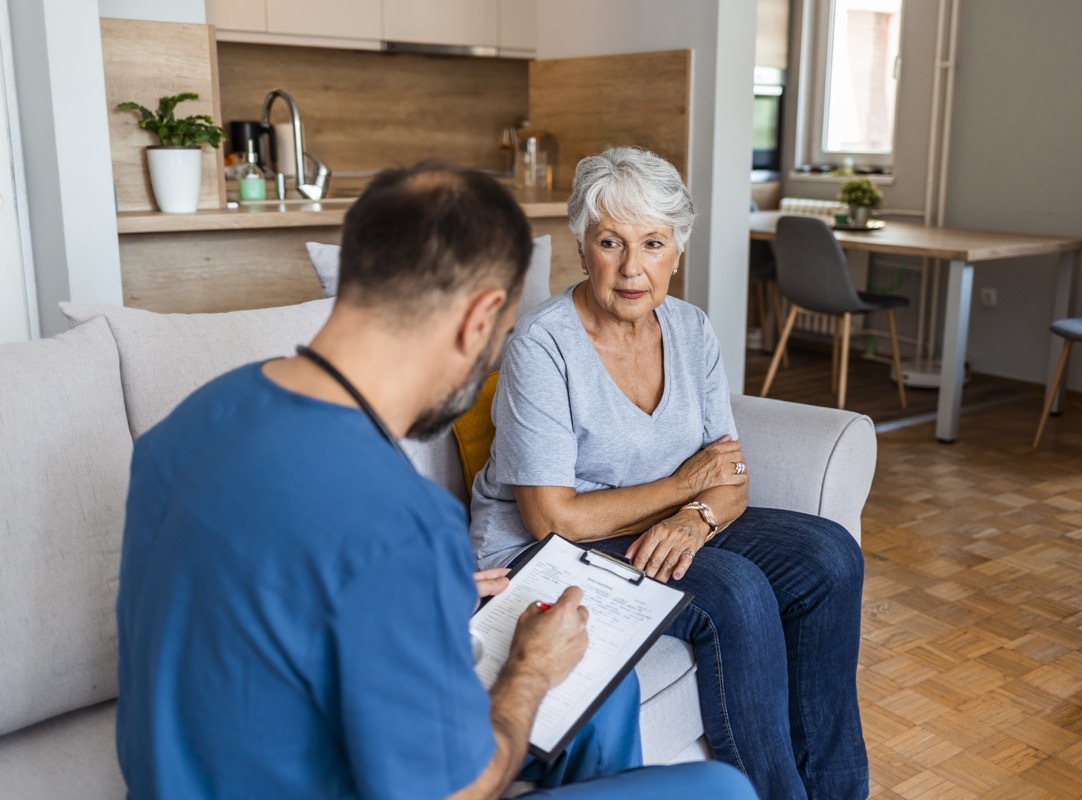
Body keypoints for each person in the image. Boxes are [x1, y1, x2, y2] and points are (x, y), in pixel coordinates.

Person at [115, 164, 755, 800]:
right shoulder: (402, 520)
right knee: (720, 789)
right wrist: (529, 671)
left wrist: (418, 593)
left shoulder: (187, 424)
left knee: (600, 693)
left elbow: (274, 600)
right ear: (480, 321)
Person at [470, 148, 869, 800]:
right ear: (582, 247)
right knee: (735, 594)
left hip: (649, 525)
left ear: (676, 251)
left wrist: (696, 517)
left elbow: (731, 473)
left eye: (653, 243)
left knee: (830, 555)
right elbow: (554, 518)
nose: (633, 268)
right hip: (548, 552)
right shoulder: (541, 345)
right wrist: (687, 486)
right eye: (611, 242)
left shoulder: (691, 330)